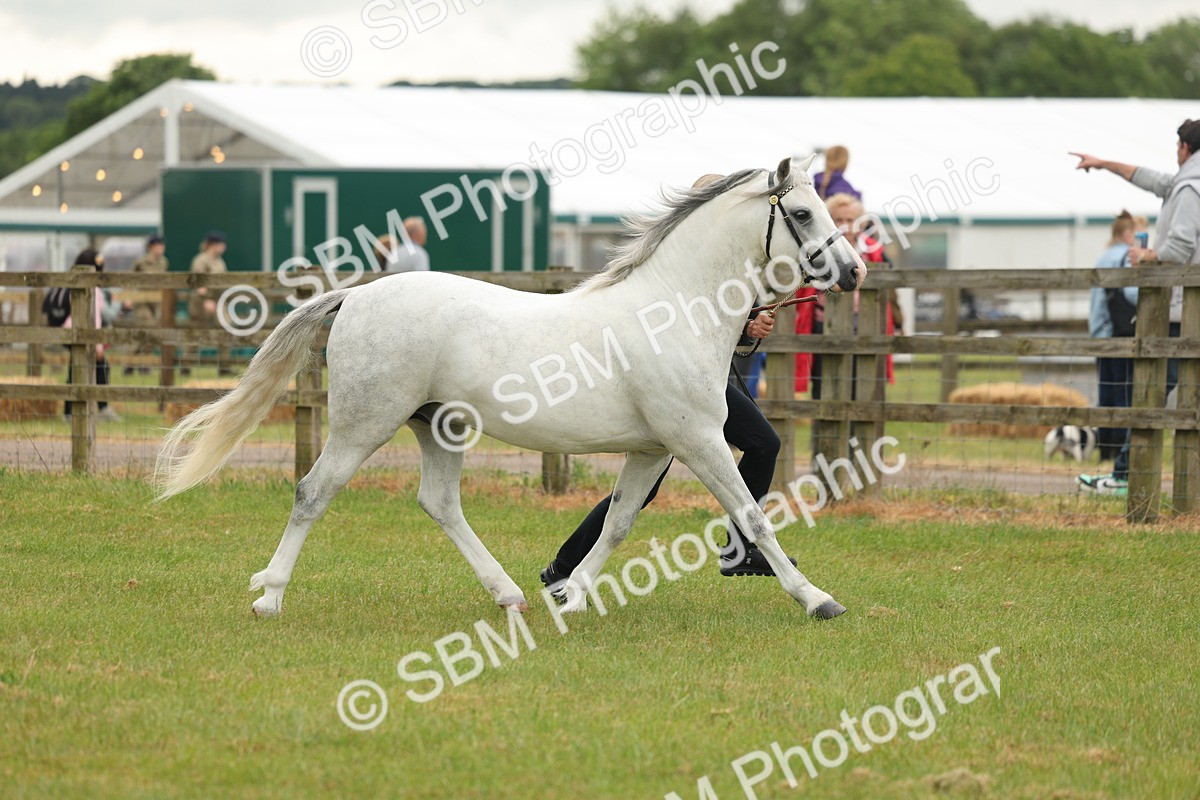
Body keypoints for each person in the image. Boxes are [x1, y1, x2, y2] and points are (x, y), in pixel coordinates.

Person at [539, 176, 796, 596]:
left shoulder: (723, 262)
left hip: (699, 381)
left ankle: (740, 547)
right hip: (670, 383)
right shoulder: (677, 259)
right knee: (646, 485)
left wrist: (749, 328)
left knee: (762, 444)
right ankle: (564, 568)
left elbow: (720, 326)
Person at [1071, 119, 1200, 495]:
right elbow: (1150, 178)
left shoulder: (1191, 188)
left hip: (1182, 310)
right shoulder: (1185, 182)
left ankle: (1126, 476)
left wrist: (1147, 255)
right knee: (1161, 390)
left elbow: (1179, 248)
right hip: (1184, 309)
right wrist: (1104, 163)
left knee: (1153, 390)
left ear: (1184, 147)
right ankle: (1127, 473)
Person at [1088, 211, 1142, 460]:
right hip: (1121, 332)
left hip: (1101, 333)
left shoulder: (1102, 257)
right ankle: (1121, 450)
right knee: (1124, 392)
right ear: (1127, 233)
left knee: (1106, 393)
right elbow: (1132, 294)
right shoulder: (1124, 257)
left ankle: (1105, 449)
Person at [63, 249, 122, 421]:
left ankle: (71, 412)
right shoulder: (93, 289)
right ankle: (101, 409)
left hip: (71, 331)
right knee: (98, 367)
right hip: (83, 334)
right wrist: (97, 346)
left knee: (77, 369)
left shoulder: (73, 283)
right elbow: (94, 317)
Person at [187, 231, 230, 375]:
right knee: (197, 333)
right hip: (202, 302)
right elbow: (199, 283)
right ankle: (186, 364)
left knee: (226, 328)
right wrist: (206, 300)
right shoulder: (201, 260)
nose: (224, 247)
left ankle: (224, 365)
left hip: (218, 300)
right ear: (213, 245)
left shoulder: (219, 261)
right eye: (221, 244)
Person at [125, 235, 169, 375]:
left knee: (152, 334)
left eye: (162, 245)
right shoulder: (141, 262)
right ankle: (137, 363)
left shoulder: (164, 262)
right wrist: (128, 297)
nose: (160, 248)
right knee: (149, 328)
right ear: (151, 247)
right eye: (157, 245)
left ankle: (137, 362)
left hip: (156, 302)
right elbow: (129, 280)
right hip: (142, 300)